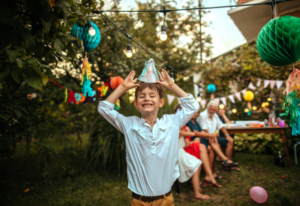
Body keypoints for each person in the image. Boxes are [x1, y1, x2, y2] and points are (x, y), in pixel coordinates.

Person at [98, 68, 199, 206]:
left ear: (161, 102)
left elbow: (193, 106)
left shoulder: (171, 123)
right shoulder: (129, 124)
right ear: (136, 103)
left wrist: (171, 86)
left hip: (166, 200)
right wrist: (122, 87)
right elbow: (103, 108)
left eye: (152, 95)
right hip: (139, 201)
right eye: (141, 96)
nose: (146, 98)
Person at [175, 104, 209, 200]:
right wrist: (211, 134)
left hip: (181, 150)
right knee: (196, 164)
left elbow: (185, 144)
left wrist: (186, 135)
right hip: (176, 153)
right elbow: (194, 133)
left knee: (197, 162)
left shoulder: (182, 127)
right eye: (179, 112)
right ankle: (197, 193)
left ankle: (196, 187)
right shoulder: (177, 127)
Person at [198, 100, 239, 171]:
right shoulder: (202, 115)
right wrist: (214, 136)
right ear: (207, 108)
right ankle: (222, 162)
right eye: (211, 109)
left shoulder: (215, 115)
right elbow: (205, 131)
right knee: (215, 144)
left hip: (214, 138)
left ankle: (227, 163)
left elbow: (221, 126)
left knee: (230, 140)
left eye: (214, 110)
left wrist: (227, 135)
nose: (212, 111)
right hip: (206, 138)